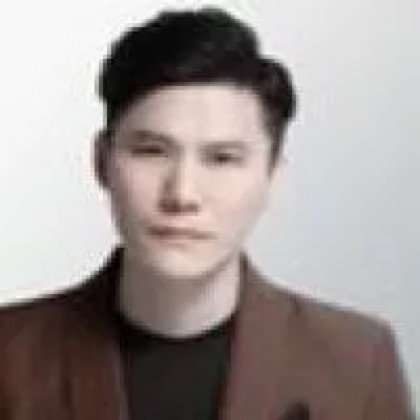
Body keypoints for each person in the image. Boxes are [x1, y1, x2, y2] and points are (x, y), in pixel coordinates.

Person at [0, 7, 414, 420]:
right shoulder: (10, 355)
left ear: (272, 176)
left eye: (222, 158)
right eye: (151, 151)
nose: (182, 194)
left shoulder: (357, 363)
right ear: (101, 162)